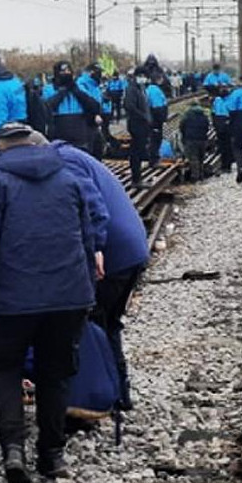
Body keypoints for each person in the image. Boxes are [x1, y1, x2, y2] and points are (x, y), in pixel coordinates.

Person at [0, 123, 97, 483]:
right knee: (56, 372)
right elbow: (87, 236)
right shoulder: (67, 177)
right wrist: (86, 288)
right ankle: (52, 455)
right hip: (67, 296)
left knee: (4, 368)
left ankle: (13, 450)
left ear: (1, 148)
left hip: (11, 300)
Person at [53, 139, 149, 411]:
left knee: (89, 325)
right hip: (130, 248)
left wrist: (94, 249)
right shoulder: (72, 154)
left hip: (113, 255)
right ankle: (119, 394)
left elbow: (93, 209)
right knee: (107, 324)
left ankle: (95, 398)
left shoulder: (64, 163)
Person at [42, 61, 102, 153]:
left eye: (68, 71)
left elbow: (93, 106)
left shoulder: (79, 87)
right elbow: (47, 107)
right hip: (59, 126)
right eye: (63, 71)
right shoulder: (49, 88)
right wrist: (63, 92)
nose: (66, 73)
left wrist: (77, 92)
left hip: (79, 127)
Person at [124, 69, 152, 190]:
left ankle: (138, 177)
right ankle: (136, 179)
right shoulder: (132, 89)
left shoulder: (140, 88)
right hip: (136, 124)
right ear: (137, 76)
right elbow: (129, 106)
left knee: (139, 151)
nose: (144, 78)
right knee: (136, 151)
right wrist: (144, 116)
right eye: (142, 76)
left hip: (141, 124)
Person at [178, 97, 211, 182]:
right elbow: (207, 127)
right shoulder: (204, 115)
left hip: (190, 139)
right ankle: (201, 175)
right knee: (201, 157)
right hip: (203, 139)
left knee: (193, 158)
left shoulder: (187, 115)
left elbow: (181, 126)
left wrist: (184, 136)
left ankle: (195, 176)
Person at [146, 74, 168, 167]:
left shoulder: (150, 89)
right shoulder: (154, 90)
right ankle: (154, 160)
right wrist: (162, 120)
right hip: (155, 120)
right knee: (156, 139)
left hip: (151, 119)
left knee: (152, 139)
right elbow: (157, 107)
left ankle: (153, 158)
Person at [212, 87, 234, 174]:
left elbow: (213, 112)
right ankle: (226, 164)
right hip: (223, 121)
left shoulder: (218, 100)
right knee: (225, 145)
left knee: (225, 145)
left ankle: (226, 165)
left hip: (222, 121)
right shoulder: (220, 100)